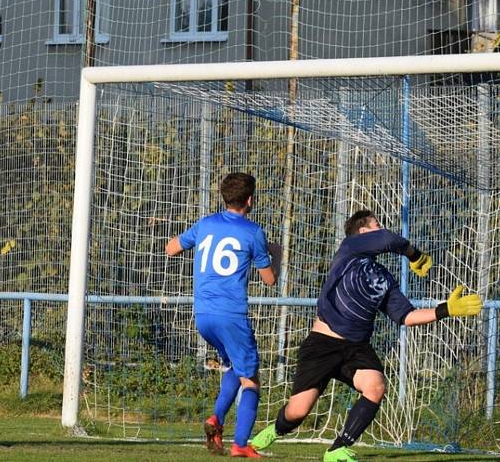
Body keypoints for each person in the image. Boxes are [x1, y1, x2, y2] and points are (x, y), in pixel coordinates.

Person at [248, 209, 483, 462]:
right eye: (376, 224)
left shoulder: (384, 278)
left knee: (376, 386)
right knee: (297, 412)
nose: (382, 229)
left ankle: (337, 449)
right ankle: (274, 430)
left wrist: (446, 309)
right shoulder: (349, 249)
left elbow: (405, 316)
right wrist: (414, 254)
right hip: (323, 344)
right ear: (362, 232)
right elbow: (388, 240)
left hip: (356, 348)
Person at [165, 172, 280, 458]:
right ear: (250, 200)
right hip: (231, 315)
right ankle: (240, 444)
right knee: (251, 379)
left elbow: (171, 249)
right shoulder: (252, 231)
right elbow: (270, 279)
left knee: (233, 367)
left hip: (203, 315)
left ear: (224, 196)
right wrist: (276, 253)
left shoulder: (205, 224)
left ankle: (215, 420)